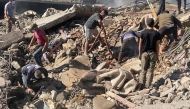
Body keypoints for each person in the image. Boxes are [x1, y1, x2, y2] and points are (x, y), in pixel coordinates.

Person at [138, 18, 161, 89]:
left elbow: (140, 45)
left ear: (146, 24)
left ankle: (141, 85)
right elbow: (157, 46)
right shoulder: (156, 33)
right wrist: (157, 55)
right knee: (151, 71)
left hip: (144, 53)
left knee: (143, 70)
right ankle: (148, 86)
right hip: (153, 53)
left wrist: (140, 53)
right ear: (154, 24)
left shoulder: (143, 33)